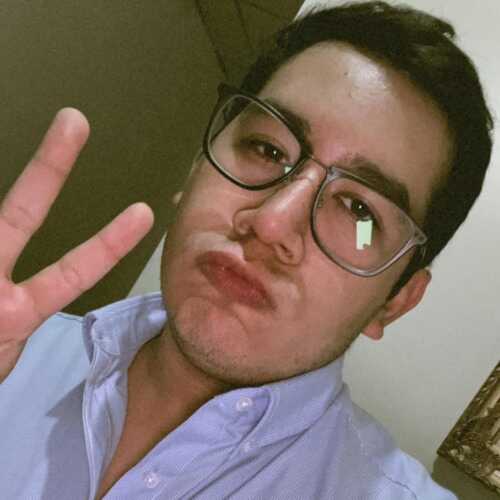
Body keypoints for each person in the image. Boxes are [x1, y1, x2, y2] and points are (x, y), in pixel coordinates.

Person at [0, 1, 493, 499]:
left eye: (359, 211)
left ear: (396, 299)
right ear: (198, 166)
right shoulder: (15, 364)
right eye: (267, 149)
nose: (272, 223)